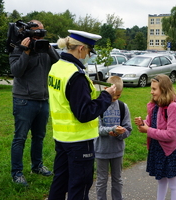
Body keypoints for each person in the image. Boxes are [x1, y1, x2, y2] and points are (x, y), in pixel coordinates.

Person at [47, 30, 116, 200]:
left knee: (60, 182)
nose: (88, 55)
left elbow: (65, 97)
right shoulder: (76, 75)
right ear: (81, 49)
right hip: (79, 140)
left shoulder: (57, 67)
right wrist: (106, 96)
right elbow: (85, 113)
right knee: (79, 187)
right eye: (88, 52)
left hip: (62, 137)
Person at [9, 19, 60, 186]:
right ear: (29, 33)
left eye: (42, 32)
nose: (40, 35)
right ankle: (16, 173)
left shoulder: (45, 49)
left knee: (39, 137)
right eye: (37, 32)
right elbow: (16, 71)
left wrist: (49, 47)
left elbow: (58, 63)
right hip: (24, 100)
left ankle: (36, 166)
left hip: (43, 100)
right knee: (20, 138)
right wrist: (25, 51)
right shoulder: (18, 48)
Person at [134, 74, 176, 200]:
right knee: (161, 181)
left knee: (173, 184)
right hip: (157, 148)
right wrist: (143, 124)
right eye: (151, 88)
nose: (151, 92)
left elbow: (172, 134)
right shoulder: (154, 106)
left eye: (154, 89)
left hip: (169, 151)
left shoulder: (173, 107)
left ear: (163, 90)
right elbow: (150, 124)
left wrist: (148, 130)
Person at [94, 76, 132, 200]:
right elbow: (97, 129)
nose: (115, 98)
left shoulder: (122, 107)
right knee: (101, 180)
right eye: (113, 95)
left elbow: (128, 129)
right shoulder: (98, 105)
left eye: (118, 96)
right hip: (101, 151)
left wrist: (121, 133)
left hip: (117, 151)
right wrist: (112, 129)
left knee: (117, 179)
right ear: (106, 89)